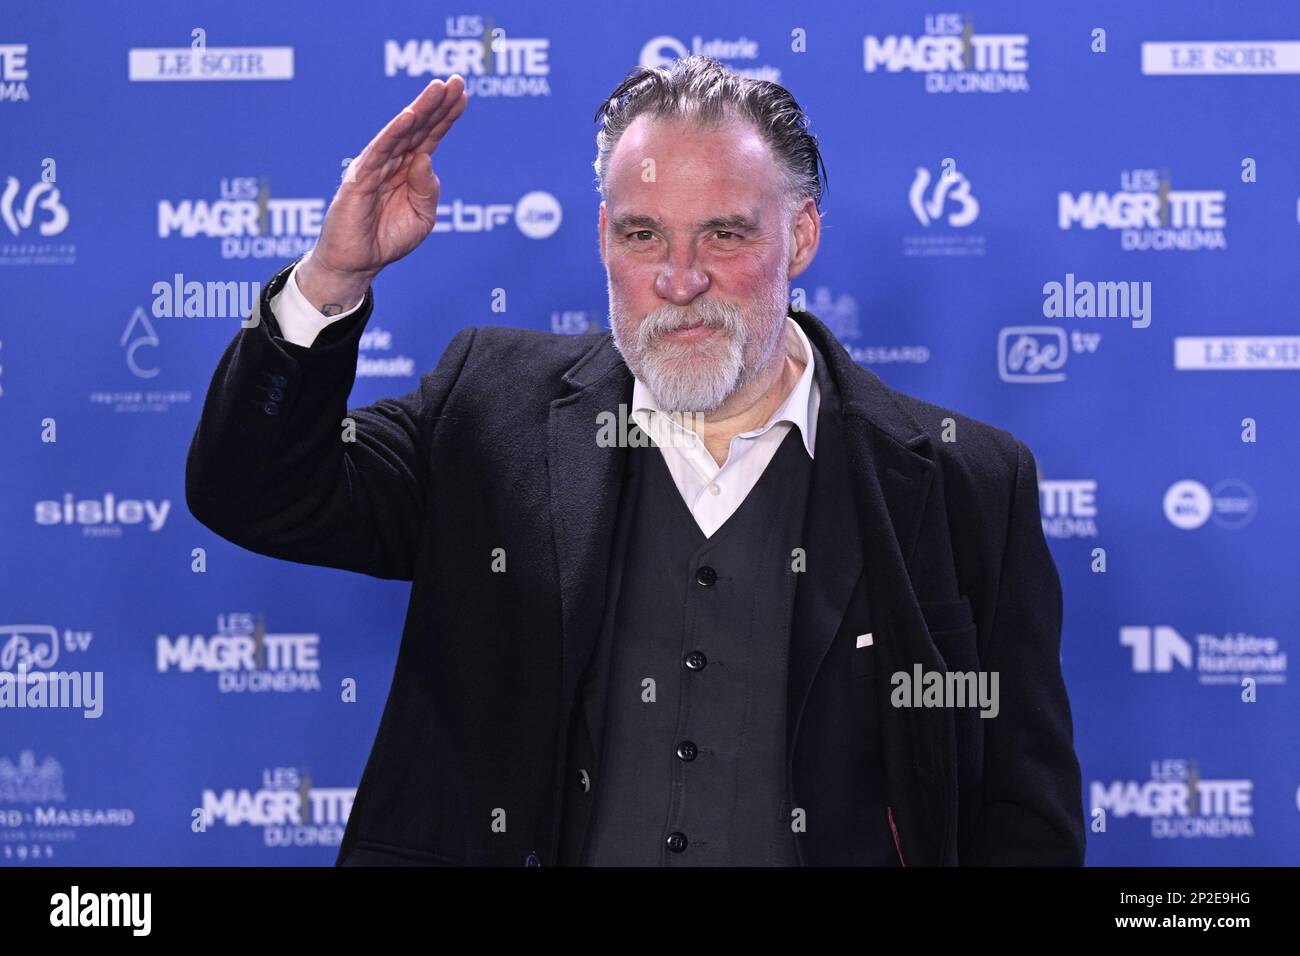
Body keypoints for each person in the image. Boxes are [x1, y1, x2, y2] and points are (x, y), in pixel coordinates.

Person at [186, 55, 1085, 866]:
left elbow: (1022, 818)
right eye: (643, 234)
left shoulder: (969, 482)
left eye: (725, 236)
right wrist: (332, 282)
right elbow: (255, 491)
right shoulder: (489, 408)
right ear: (603, 239)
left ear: (801, 237)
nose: (679, 278)